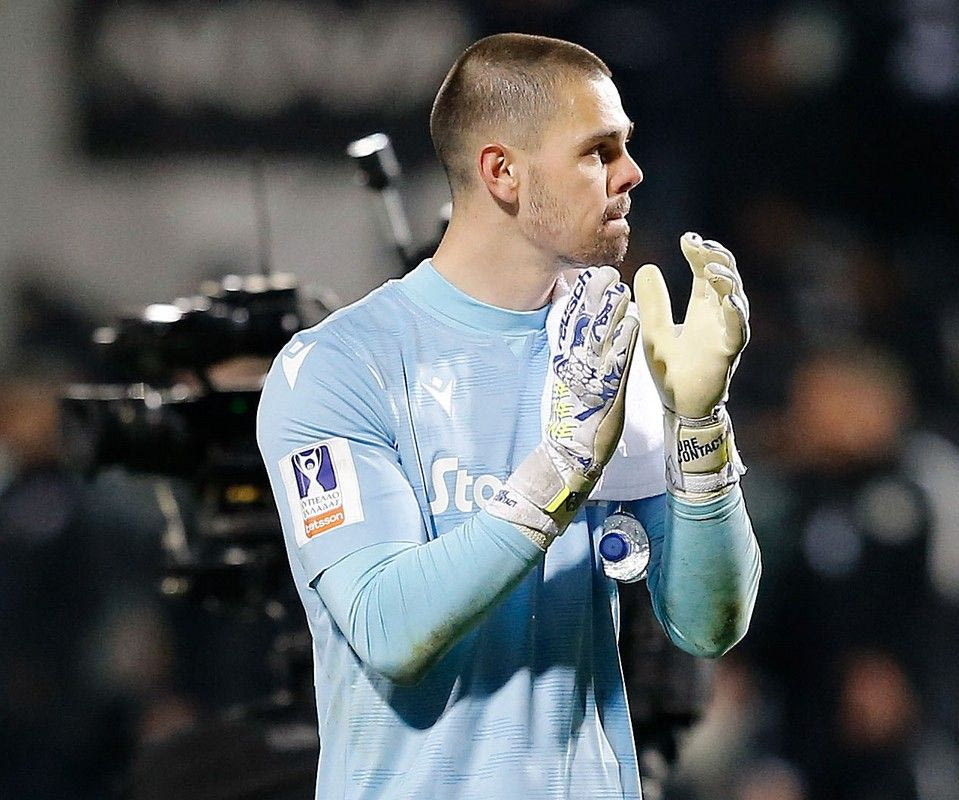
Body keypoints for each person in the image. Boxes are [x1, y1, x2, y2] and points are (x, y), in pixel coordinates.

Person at [255, 33, 761, 800]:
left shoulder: (608, 354)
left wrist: (699, 426)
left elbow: (707, 623)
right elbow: (387, 627)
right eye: (597, 151)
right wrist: (560, 470)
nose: (630, 172)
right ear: (502, 172)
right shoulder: (340, 366)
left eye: (625, 146)